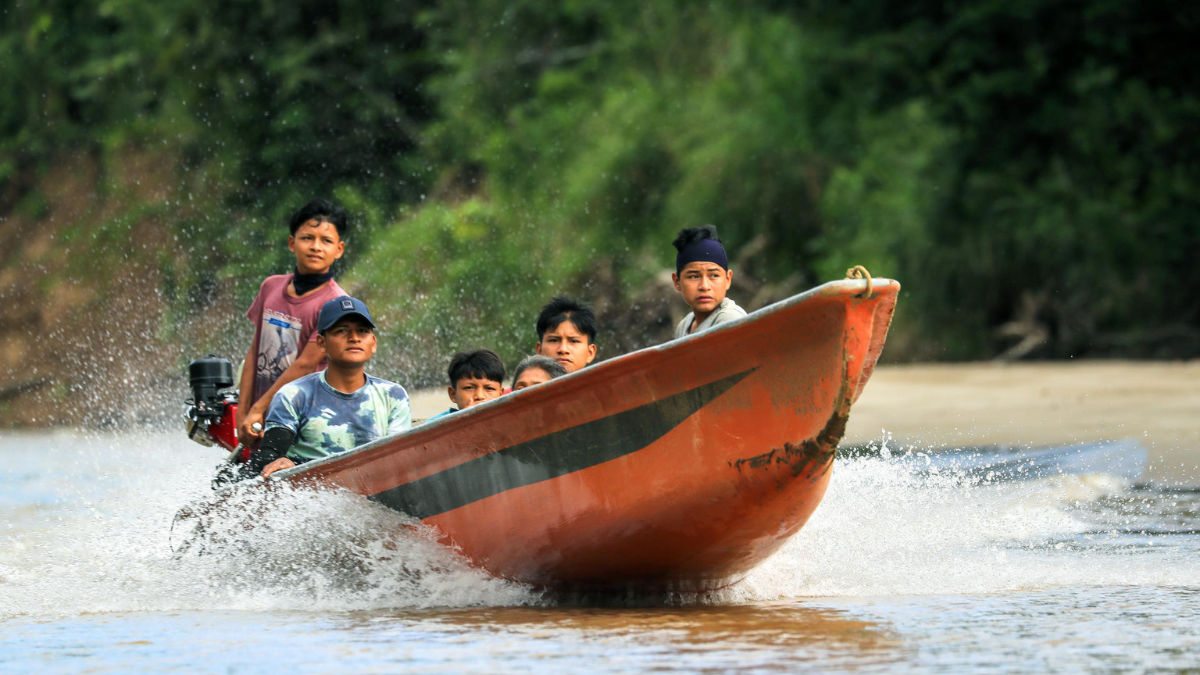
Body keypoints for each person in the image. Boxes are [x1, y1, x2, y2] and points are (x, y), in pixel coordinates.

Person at [252, 297, 411, 479]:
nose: (354, 338)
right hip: (311, 496)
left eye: (362, 331)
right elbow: (267, 458)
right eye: (342, 330)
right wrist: (283, 464)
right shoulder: (294, 395)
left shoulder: (393, 395)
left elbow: (398, 460)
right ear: (321, 343)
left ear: (373, 343)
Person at [237, 199, 350, 446]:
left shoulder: (336, 304)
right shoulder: (271, 286)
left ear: (339, 249)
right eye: (307, 238)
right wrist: (242, 411)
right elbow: (254, 352)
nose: (316, 247)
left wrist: (258, 407)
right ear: (292, 243)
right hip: (261, 414)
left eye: (326, 241)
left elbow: (306, 365)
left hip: (305, 419)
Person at [671, 225, 746, 339]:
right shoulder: (684, 326)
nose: (704, 286)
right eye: (694, 276)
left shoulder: (730, 320)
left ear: (727, 279)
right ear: (677, 281)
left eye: (714, 275)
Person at [430, 349, 506, 420]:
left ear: (501, 395)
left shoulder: (509, 421)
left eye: (489, 388)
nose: (479, 396)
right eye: (469, 388)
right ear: (453, 394)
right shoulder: (437, 426)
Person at [534, 297, 598, 373]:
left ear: (590, 353)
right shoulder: (525, 384)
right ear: (539, 351)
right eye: (554, 340)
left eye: (574, 341)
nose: (563, 349)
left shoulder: (609, 384)